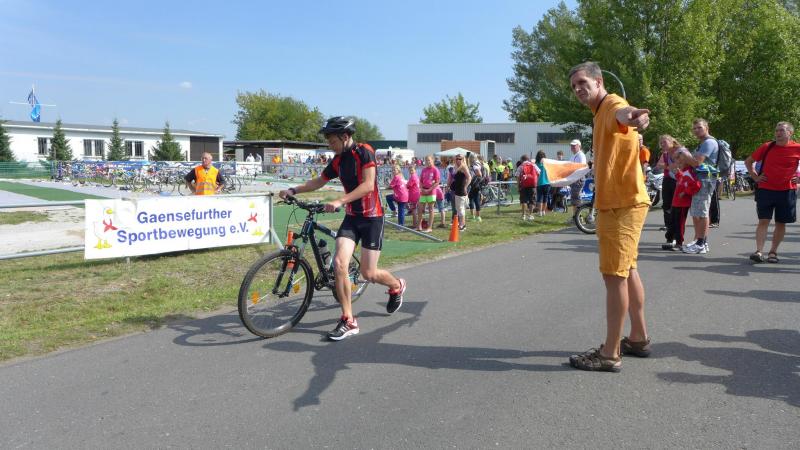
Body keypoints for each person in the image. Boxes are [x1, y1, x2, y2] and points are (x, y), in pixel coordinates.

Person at [278, 116, 406, 341]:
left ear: (345, 136)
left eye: (332, 141)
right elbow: (318, 181)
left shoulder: (364, 152)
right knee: (339, 264)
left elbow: (368, 185)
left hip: (372, 218)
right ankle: (348, 319)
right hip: (352, 218)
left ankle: (396, 285)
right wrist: (293, 190)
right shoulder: (338, 160)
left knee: (368, 273)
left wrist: (340, 200)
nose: (330, 145)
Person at [567, 61, 652, 372]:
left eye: (582, 82)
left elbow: (624, 114)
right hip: (622, 202)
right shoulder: (598, 112)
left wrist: (634, 116)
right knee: (627, 270)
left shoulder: (612, 104)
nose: (578, 89)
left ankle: (610, 353)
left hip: (621, 205)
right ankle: (638, 338)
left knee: (614, 276)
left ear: (598, 81)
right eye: (574, 86)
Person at [744, 121, 800, 263]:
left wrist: (799, 179)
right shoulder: (767, 146)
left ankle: (773, 252)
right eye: (776, 130)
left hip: (787, 191)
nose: (778, 133)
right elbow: (748, 161)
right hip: (766, 190)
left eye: (781, 130)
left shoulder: (797, 148)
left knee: (781, 223)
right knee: (763, 220)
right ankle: (759, 251)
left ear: (790, 133)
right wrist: (755, 177)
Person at [683, 118, 719, 254]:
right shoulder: (703, 143)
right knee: (697, 211)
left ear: (706, 128)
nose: (696, 130)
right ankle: (700, 240)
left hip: (705, 180)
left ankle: (701, 244)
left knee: (702, 211)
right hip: (700, 180)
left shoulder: (709, 142)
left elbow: (697, 162)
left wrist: (684, 154)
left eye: (699, 128)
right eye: (694, 128)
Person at [656, 135, 684, 250]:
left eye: (665, 142)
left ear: (672, 141)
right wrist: (669, 166)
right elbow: (659, 165)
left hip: (679, 181)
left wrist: (670, 166)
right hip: (668, 180)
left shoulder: (680, 151)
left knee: (677, 210)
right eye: (661, 143)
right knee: (667, 207)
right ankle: (670, 235)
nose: (662, 144)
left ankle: (677, 239)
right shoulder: (665, 154)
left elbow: (679, 165)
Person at [671, 149, 701, 252]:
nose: (678, 164)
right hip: (676, 201)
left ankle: (679, 243)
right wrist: (677, 174)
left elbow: (696, 185)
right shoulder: (684, 172)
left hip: (682, 203)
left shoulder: (689, 171)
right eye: (677, 161)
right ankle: (675, 240)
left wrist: (685, 192)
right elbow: (682, 181)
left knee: (679, 223)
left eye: (680, 161)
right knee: (674, 222)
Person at [418, 155, 440, 232]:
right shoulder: (424, 170)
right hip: (423, 191)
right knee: (420, 209)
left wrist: (429, 189)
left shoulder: (435, 170)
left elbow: (437, 182)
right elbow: (420, 181)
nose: (428, 162)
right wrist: (421, 188)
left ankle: (429, 227)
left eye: (429, 160)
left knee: (431, 209)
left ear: (432, 161)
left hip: (431, 192)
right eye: (426, 160)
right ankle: (419, 226)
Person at [515, 154, 539, 221]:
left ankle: (523, 215)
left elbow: (517, 176)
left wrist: (518, 186)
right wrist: (535, 181)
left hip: (523, 186)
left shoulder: (521, 166)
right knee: (532, 201)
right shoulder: (533, 165)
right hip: (533, 186)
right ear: (528, 159)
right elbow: (539, 172)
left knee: (524, 201)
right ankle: (530, 215)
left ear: (522, 160)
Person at [451, 154, 471, 231]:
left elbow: (469, 178)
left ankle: (462, 225)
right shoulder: (456, 167)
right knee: (459, 208)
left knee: (460, 209)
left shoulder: (463, 167)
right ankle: (462, 224)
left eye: (460, 159)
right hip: (457, 190)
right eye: (457, 159)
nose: (458, 160)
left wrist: (465, 186)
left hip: (461, 190)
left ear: (463, 159)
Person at [568, 139, 588, 219]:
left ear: (579, 146)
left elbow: (582, 167)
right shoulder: (573, 156)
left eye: (574, 146)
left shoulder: (581, 155)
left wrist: (577, 177)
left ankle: (578, 217)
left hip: (578, 179)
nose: (572, 147)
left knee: (576, 198)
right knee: (574, 198)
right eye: (571, 146)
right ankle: (575, 217)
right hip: (574, 179)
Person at [467, 153, 484, 222]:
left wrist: (473, 178)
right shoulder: (478, 163)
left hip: (475, 185)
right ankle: (473, 216)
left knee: (476, 200)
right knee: (471, 199)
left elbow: (479, 174)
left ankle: (477, 217)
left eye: (470, 158)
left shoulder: (475, 165)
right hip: (475, 185)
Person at [534, 150, 550, 216]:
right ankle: (543, 211)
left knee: (539, 198)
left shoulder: (536, 164)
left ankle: (540, 212)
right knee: (545, 198)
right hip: (547, 183)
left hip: (539, 183)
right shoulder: (547, 164)